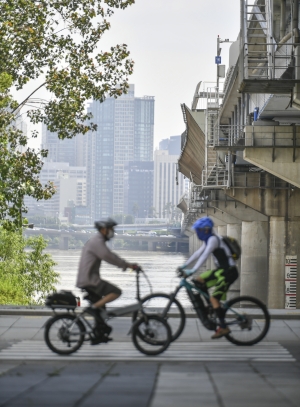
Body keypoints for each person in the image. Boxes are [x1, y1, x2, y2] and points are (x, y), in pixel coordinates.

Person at [76, 218, 136, 344]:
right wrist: (128, 265)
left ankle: (99, 334)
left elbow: (109, 256)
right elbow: (109, 256)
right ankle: (93, 308)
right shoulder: (97, 242)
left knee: (102, 310)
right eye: (111, 229)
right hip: (89, 281)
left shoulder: (96, 240)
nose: (112, 232)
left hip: (87, 279)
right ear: (103, 230)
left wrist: (125, 265)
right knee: (116, 291)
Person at [178, 217, 238, 339]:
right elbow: (197, 253)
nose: (198, 233)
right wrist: (185, 265)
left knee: (214, 299)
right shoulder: (209, 239)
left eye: (199, 230)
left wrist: (192, 270)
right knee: (198, 280)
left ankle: (223, 327)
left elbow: (205, 255)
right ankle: (210, 306)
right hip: (221, 271)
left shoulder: (213, 240)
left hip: (229, 272)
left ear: (206, 230)